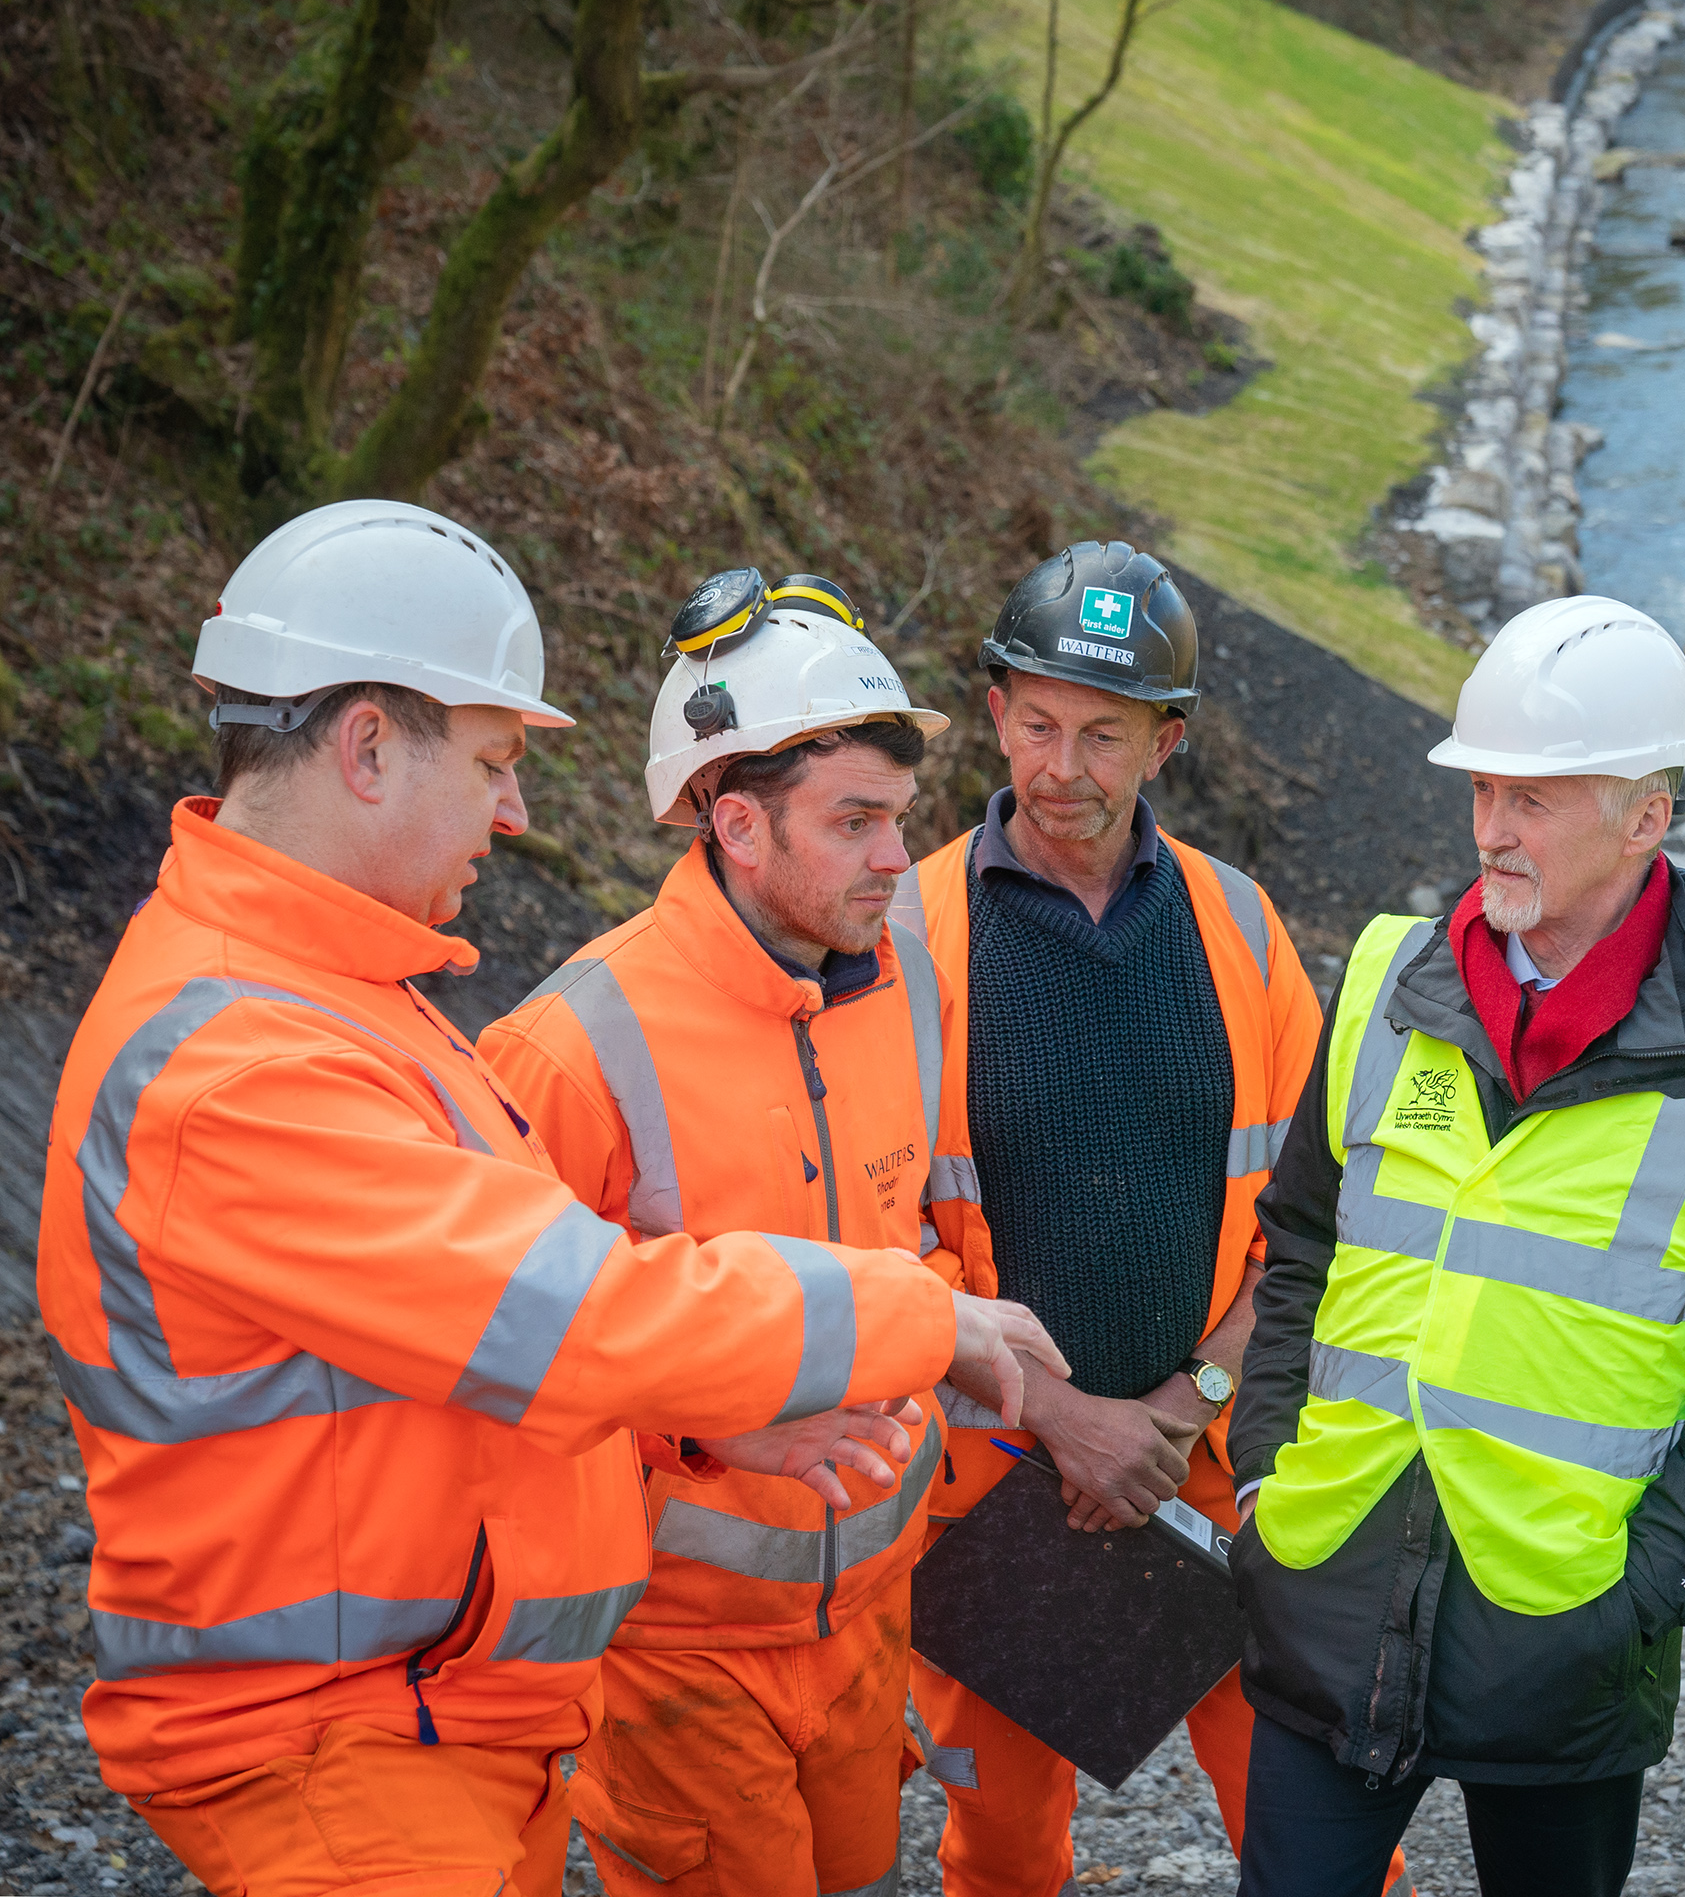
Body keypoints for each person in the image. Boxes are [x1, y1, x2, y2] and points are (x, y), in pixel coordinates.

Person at [38, 502, 1059, 1897]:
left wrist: (703, 1440)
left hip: (458, 1720)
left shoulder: (350, 1006)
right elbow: (578, 1314)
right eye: (498, 760)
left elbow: (476, 1356)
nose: (518, 813)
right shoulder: (242, 1064)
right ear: (369, 746)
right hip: (345, 1750)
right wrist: (917, 1318)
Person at [1227, 594, 1685, 1897]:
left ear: (1645, 817)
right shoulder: (1391, 983)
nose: (1492, 831)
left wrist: (1640, 1599)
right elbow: (1297, 1247)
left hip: (1563, 1635)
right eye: (1484, 790)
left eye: (1537, 799)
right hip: (1325, 1587)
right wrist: (1263, 1480)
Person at [888, 542, 1391, 1896]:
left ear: (1165, 743)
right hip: (1000, 1475)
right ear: (993, 712)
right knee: (999, 1847)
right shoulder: (900, 937)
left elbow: (1311, 1213)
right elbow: (875, 1237)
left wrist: (1184, 1402)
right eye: (1039, 723)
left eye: (1105, 733)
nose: (1065, 767)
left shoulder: (1239, 924)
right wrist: (1066, 1420)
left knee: (1320, 1824)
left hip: (1214, 1464)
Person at [478, 569, 976, 1897]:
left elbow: (916, 1232)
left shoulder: (906, 984)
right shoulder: (569, 1049)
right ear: (740, 826)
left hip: (874, 1621)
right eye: (859, 821)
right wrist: (700, 1428)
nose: (895, 858)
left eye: (903, 819)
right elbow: (497, 1378)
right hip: (674, 1654)